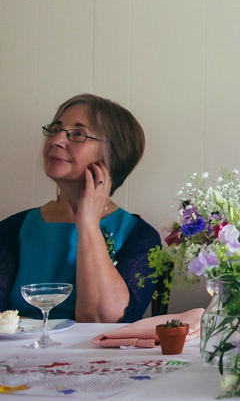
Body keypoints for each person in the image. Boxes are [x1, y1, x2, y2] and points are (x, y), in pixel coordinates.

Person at [0, 94, 159, 323]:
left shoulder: (139, 236)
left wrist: (87, 221)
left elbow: (103, 321)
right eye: (55, 129)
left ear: (113, 154)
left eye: (77, 134)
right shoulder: (12, 229)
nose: (56, 140)